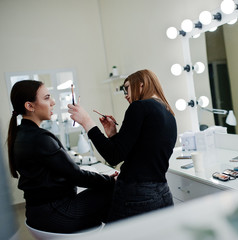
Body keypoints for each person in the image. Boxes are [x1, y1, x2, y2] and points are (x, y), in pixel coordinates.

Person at [6, 80, 116, 233]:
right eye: (46, 98)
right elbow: (77, 176)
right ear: (29, 106)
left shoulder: (20, 133)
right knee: (116, 192)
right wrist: (111, 180)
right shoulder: (41, 138)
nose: (53, 102)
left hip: (36, 214)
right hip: (56, 214)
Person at [68, 69, 177, 222]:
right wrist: (113, 134)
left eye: (127, 88)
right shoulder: (168, 113)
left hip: (137, 194)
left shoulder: (139, 106)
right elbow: (135, 151)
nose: (125, 94)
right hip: (162, 192)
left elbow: (113, 157)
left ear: (141, 84)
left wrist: (87, 122)